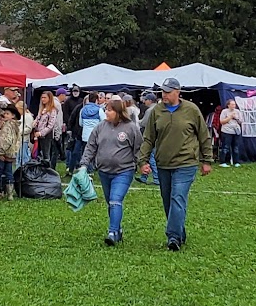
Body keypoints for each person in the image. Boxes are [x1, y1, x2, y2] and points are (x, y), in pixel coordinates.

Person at [136, 76, 213, 250]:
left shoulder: (191, 110)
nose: (164, 95)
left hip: (186, 163)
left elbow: (203, 136)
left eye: (168, 92)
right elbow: (149, 138)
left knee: (178, 197)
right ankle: (180, 232)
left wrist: (206, 160)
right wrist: (143, 160)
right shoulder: (156, 111)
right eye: (163, 91)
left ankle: (173, 237)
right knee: (168, 202)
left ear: (178, 92)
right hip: (163, 163)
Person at [83, 95, 142, 244]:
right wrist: (84, 164)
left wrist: (142, 164)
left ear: (118, 112)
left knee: (116, 200)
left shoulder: (131, 128)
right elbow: (91, 146)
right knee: (111, 202)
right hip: (104, 171)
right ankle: (117, 229)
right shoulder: (100, 127)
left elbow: (139, 148)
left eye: (109, 110)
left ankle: (112, 233)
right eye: (106, 109)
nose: (106, 112)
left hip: (124, 171)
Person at [0, 93, 22, 199]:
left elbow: (5, 140)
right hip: (11, 153)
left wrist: (1, 152)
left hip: (4, 153)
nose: (5, 115)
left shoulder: (8, 127)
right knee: (9, 173)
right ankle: (10, 194)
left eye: (7, 114)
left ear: (12, 115)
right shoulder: (15, 126)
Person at [32, 90, 63, 168]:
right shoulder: (42, 108)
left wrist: (41, 133)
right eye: (42, 98)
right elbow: (38, 118)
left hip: (46, 135)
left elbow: (51, 125)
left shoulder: (53, 110)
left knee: (46, 155)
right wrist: (34, 122)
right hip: (37, 133)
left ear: (49, 98)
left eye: (45, 98)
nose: (43, 99)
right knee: (37, 154)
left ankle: (47, 171)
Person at [218, 96, 244, 167]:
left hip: (236, 132)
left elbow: (241, 121)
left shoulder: (237, 112)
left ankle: (236, 162)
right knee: (225, 147)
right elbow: (222, 121)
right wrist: (230, 117)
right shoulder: (224, 111)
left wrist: (236, 118)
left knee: (236, 147)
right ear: (228, 105)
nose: (233, 106)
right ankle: (222, 162)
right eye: (232, 104)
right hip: (226, 132)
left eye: (234, 104)